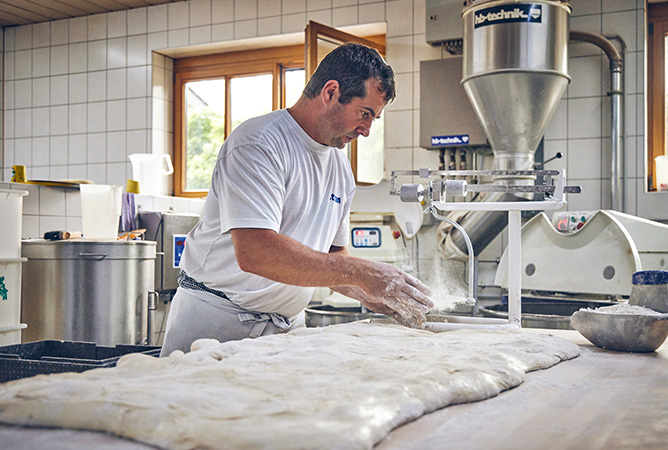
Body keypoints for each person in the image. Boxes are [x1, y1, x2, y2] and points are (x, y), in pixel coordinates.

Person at [160, 43, 433, 356]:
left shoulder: (340, 166)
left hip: (286, 328)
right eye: (365, 114)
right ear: (331, 92)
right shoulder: (259, 144)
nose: (368, 130)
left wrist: (367, 292)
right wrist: (364, 274)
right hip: (216, 325)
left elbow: (333, 254)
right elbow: (255, 252)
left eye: (374, 119)